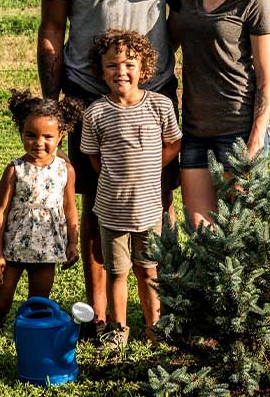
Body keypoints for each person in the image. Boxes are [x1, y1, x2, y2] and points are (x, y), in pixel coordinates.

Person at [37, 0, 187, 332]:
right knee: (100, 203)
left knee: (158, 200)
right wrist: (55, 106)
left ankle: (157, 314)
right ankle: (102, 318)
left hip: (155, 92)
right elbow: (51, 31)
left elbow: (183, 11)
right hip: (86, 94)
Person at [168, 0, 270, 228]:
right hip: (195, 130)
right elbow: (169, 40)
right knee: (199, 227)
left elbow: (267, 80)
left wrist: (254, 142)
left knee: (239, 230)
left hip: (238, 130)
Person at [79, 30, 182, 348]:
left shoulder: (160, 106)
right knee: (117, 273)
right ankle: (117, 329)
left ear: (144, 68)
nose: (120, 71)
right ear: (101, 71)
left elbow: (174, 143)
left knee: (148, 272)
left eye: (129, 64)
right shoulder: (95, 112)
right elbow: (93, 156)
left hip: (150, 210)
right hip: (111, 211)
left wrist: (152, 167)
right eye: (111, 65)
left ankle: (155, 328)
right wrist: (114, 175)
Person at [0, 90, 84, 381]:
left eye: (48, 136)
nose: (39, 143)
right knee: (0, 304)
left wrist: (73, 243)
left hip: (46, 251)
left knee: (38, 308)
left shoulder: (65, 169)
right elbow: (0, 214)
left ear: (61, 135)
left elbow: (70, 209)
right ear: (21, 132)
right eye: (30, 135)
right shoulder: (15, 170)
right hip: (12, 250)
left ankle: (32, 359)